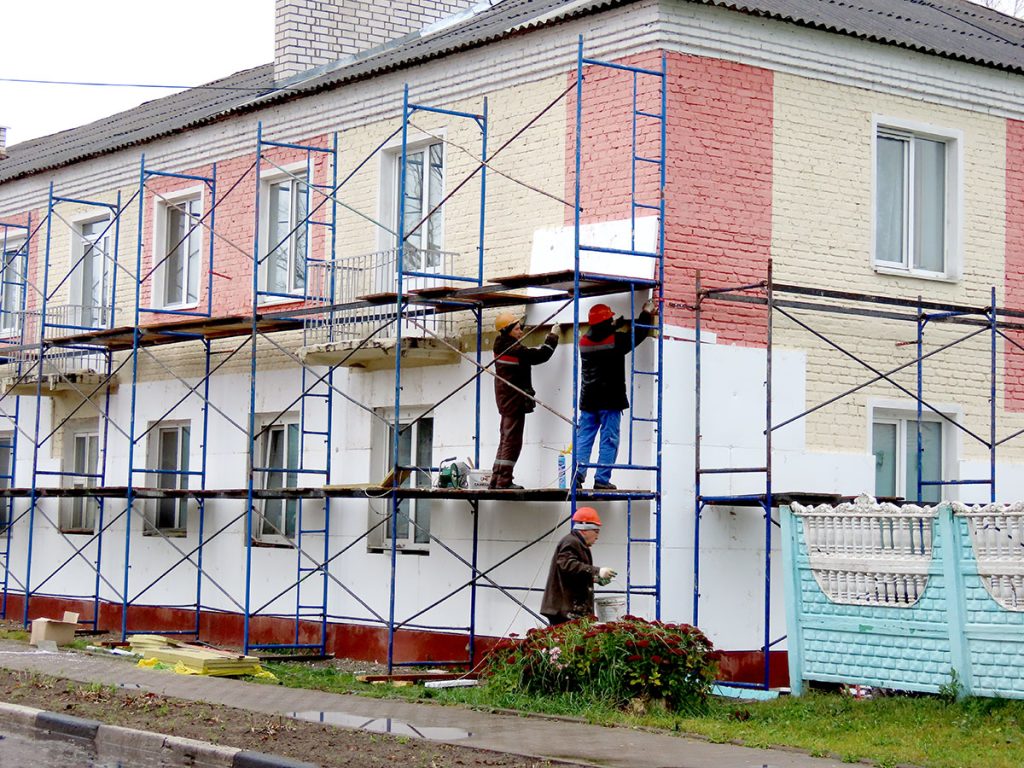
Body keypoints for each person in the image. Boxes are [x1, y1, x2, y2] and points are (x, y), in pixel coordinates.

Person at [575, 298, 658, 490]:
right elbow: (638, 335)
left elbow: (600, 333)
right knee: (609, 439)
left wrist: (615, 324)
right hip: (610, 399)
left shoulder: (584, 341)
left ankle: (577, 477)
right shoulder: (615, 341)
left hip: (588, 399)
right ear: (606, 322)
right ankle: (602, 480)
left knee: (585, 438)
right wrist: (646, 313)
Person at [489, 311, 560, 489]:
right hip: (514, 401)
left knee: (505, 439)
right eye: (517, 328)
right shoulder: (514, 350)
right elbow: (540, 355)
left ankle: (496, 479)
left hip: (506, 400)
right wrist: (552, 337)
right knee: (512, 441)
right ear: (508, 330)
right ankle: (504, 481)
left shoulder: (500, 345)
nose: (520, 331)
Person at [541, 506, 616, 625]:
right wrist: (598, 571)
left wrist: (595, 579)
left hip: (568, 609)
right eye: (596, 532)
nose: (597, 537)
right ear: (585, 530)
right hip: (565, 610)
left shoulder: (578, 544)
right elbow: (567, 565)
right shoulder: (571, 542)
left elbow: (573, 574)